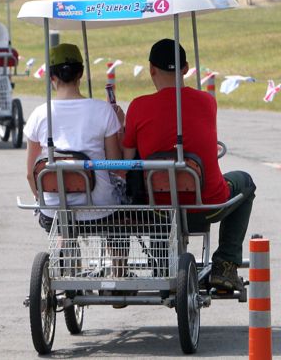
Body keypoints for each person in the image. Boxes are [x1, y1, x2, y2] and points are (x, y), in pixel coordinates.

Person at [123, 38, 255, 291]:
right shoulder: (207, 102)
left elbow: (128, 161)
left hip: (161, 210)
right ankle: (225, 263)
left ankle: (163, 264)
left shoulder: (138, 107)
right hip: (208, 206)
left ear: (151, 69)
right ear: (185, 69)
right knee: (245, 182)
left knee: (156, 187)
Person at [24, 43, 125, 230]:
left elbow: (31, 174)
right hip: (100, 208)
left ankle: (64, 251)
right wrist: (120, 127)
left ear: (51, 76)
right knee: (118, 229)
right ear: (81, 74)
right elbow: (115, 163)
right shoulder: (103, 110)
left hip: (55, 207)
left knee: (60, 224)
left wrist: (41, 200)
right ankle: (118, 259)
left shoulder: (39, 114)